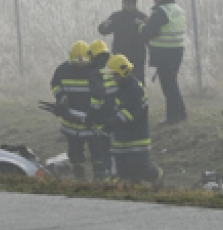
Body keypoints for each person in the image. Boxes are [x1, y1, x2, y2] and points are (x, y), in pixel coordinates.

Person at [101, 54, 163, 185]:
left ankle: (158, 175)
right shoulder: (119, 87)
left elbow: (130, 112)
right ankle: (135, 189)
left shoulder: (135, 89)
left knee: (141, 168)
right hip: (121, 138)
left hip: (137, 136)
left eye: (115, 75)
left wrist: (111, 123)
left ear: (122, 73)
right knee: (124, 171)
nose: (113, 78)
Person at [49, 40, 102, 181]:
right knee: (75, 152)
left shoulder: (96, 71)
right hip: (71, 122)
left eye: (83, 61)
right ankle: (80, 178)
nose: (80, 64)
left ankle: (99, 178)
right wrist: (61, 98)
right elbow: (55, 85)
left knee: (98, 152)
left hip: (91, 121)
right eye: (77, 61)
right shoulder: (62, 70)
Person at [138, 0, 188, 126]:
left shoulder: (161, 11)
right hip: (177, 50)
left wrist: (140, 27)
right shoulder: (177, 9)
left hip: (165, 52)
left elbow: (149, 31)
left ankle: (173, 117)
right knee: (172, 84)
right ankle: (181, 113)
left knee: (168, 86)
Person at [98, 0, 149, 84]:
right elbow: (102, 30)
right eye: (127, 4)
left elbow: (150, 33)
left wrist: (144, 24)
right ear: (123, 4)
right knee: (119, 80)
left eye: (132, 4)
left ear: (135, 4)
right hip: (120, 55)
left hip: (137, 55)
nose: (129, 6)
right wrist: (104, 26)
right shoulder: (116, 17)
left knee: (138, 80)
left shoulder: (142, 17)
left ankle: (140, 98)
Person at [85, 39, 117, 180]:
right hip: (120, 115)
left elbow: (98, 99)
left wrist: (90, 116)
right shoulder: (115, 66)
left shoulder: (95, 73)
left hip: (105, 118)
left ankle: (110, 178)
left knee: (107, 150)